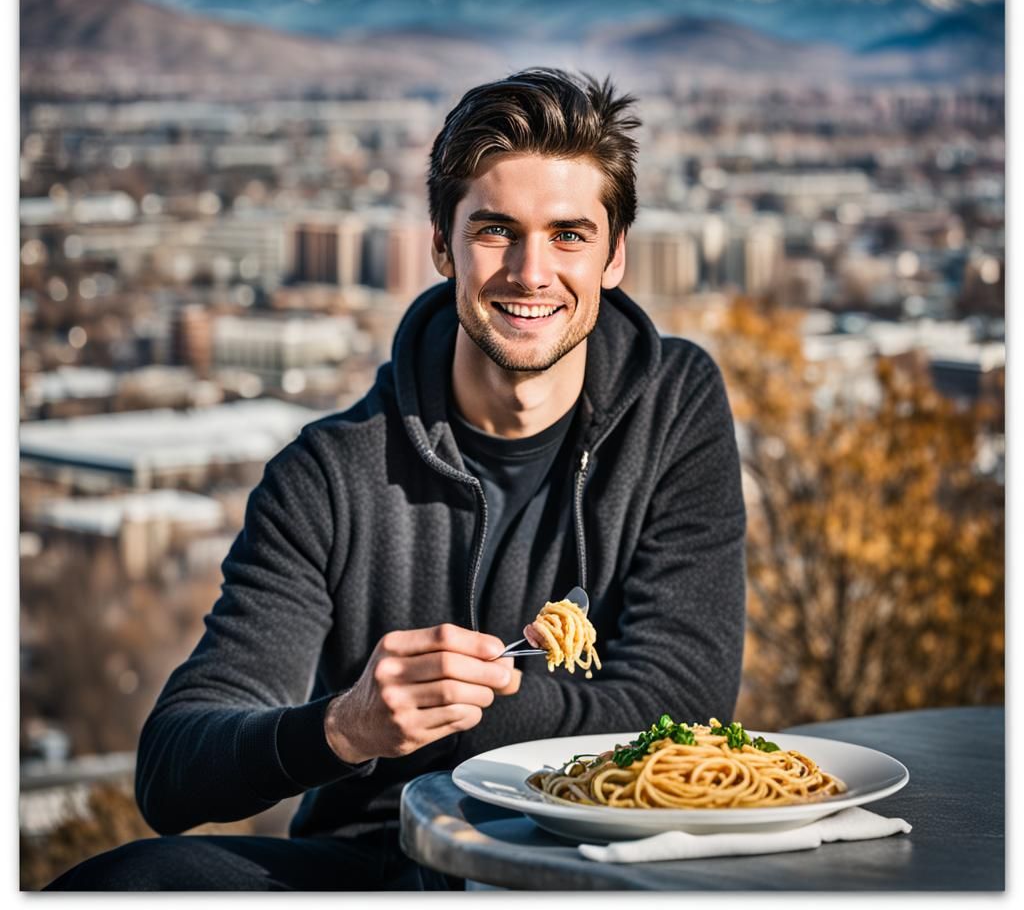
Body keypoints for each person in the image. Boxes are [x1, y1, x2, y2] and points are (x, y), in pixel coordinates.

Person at [46, 67, 747, 891]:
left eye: (568, 234)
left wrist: (480, 710)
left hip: (600, 860)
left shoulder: (674, 406)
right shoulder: (328, 475)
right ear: (442, 246)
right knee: (131, 884)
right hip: (379, 864)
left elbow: (684, 705)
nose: (530, 271)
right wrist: (346, 727)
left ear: (615, 255)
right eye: (495, 231)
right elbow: (173, 769)